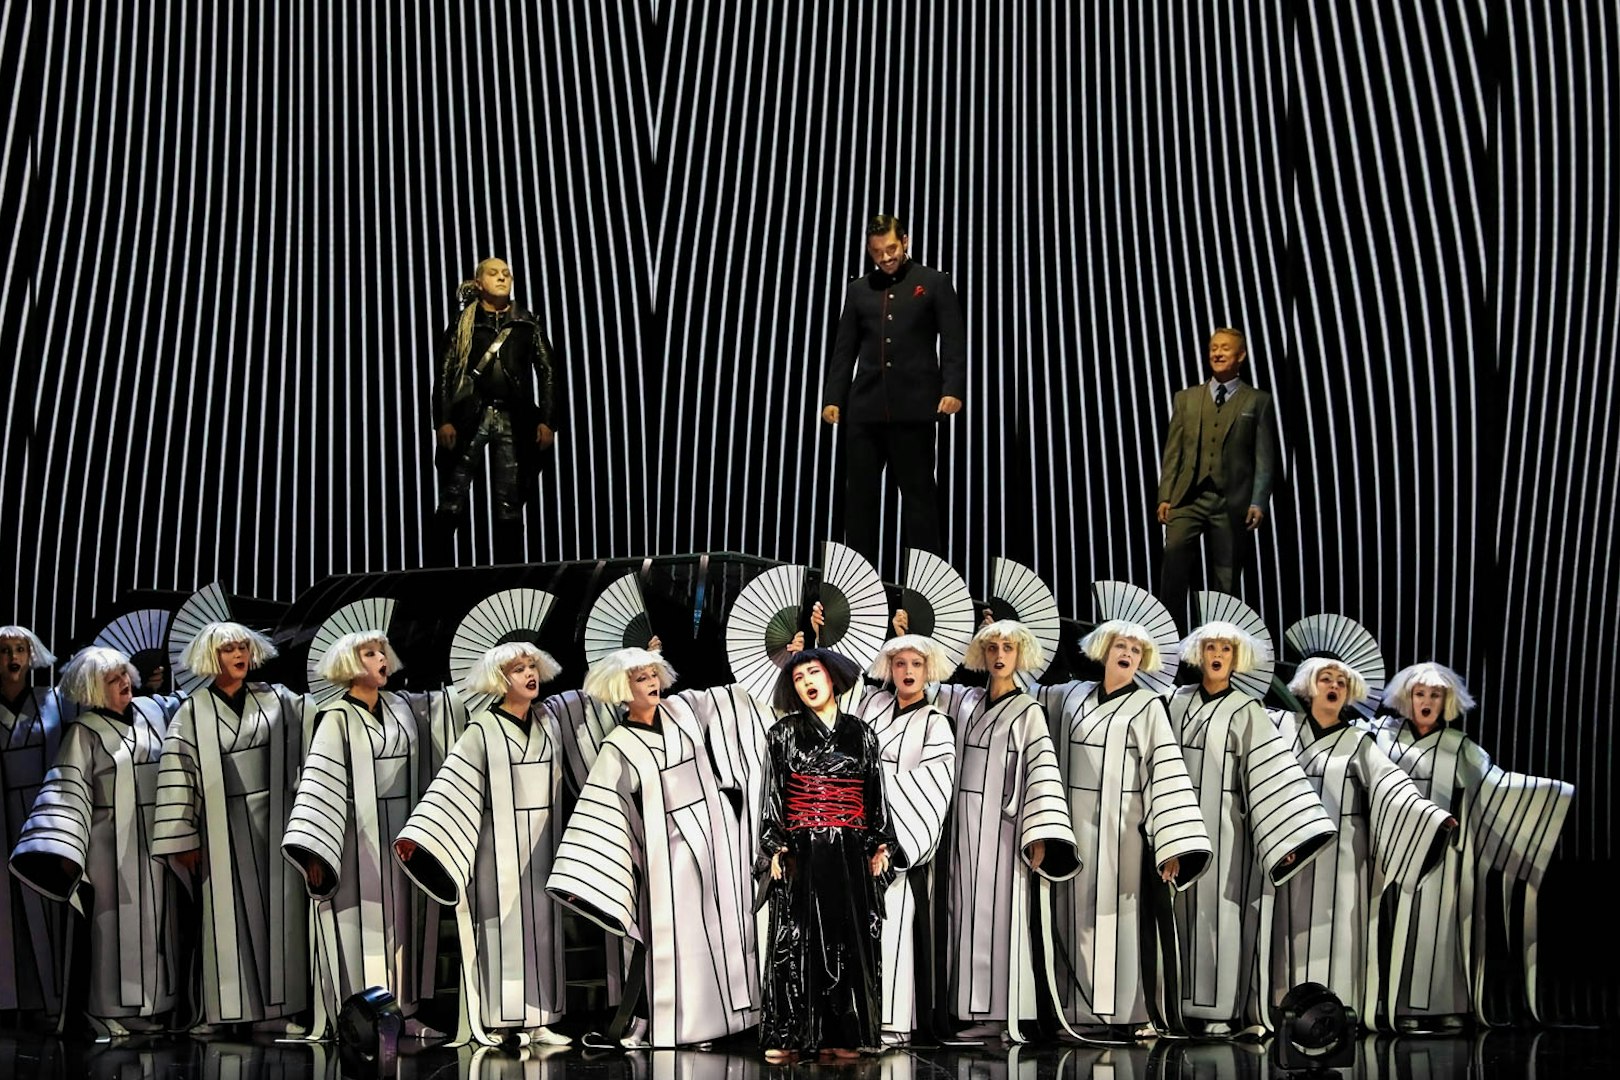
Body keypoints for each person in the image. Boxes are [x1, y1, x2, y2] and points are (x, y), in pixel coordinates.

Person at [546, 646, 761, 1049]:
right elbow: (604, 805)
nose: (651, 683)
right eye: (640, 678)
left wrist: (783, 662)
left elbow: (735, 699)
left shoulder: (684, 709)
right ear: (621, 689)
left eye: (652, 675)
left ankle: (734, 1019)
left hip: (717, 834)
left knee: (729, 925)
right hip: (668, 849)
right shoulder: (617, 745)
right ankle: (689, 1025)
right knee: (682, 938)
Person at [1369, 662, 1572, 1033]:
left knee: (1439, 927)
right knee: (1387, 924)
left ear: (1446, 701)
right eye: (1419, 693)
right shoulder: (1381, 734)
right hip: (1391, 847)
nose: (1427, 701)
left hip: (1442, 852)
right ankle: (1386, 1004)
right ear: (1406, 697)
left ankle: (1441, 1005)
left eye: (1435, 695)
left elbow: (1496, 786)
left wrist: (1549, 793)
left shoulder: (1459, 747)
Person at [1038, 620, 1212, 1041]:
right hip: (1073, 826)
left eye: (1136, 650)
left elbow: (1165, 771)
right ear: (1104, 649)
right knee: (1072, 916)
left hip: (1123, 833)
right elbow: (1021, 686)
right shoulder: (1070, 694)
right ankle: (1074, 1009)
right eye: (1121, 645)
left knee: (1118, 918)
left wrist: (1172, 844)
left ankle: (1123, 1012)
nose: (1128, 654)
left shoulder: (1148, 706)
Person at [1162, 621, 1334, 1036]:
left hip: (1226, 828)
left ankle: (1217, 1011)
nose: (1218, 655)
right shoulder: (1173, 701)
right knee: (1174, 915)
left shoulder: (1247, 710)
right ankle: (1170, 1007)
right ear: (1199, 654)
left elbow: (1271, 776)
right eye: (1211, 647)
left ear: (1237, 659)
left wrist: (1286, 838)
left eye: (1226, 649)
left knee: (1218, 915)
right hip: (1175, 820)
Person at [394, 642, 571, 1047]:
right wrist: (423, 837)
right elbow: (453, 785)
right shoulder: (482, 729)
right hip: (497, 847)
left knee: (542, 928)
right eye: (518, 669)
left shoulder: (549, 720)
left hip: (542, 842)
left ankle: (539, 1018)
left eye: (532, 666)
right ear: (500, 679)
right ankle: (501, 1018)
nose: (529, 674)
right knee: (501, 928)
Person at [281, 630, 452, 1039]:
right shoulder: (335, 718)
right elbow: (319, 786)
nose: (381, 659)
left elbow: (447, 708)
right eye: (370, 654)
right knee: (360, 926)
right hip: (354, 840)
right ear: (350, 665)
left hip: (400, 832)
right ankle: (361, 1017)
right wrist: (315, 854)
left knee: (401, 925)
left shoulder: (402, 707)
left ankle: (404, 1012)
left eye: (382, 652)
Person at [1269, 656, 1454, 1028]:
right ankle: (1283, 1008)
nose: (1334, 686)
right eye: (1326, 679)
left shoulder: (1358, 742)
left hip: (1342, 856)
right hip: (1291, 850)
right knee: (1285, 930)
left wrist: (1431, 816)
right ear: (1309, 685)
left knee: (1338, 932)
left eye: (1341, 682)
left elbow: (1393, 785)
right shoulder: (1281, 727)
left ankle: (1336, 1011)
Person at [9, 646, 181, 1037]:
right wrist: (66, 850)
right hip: (109, 845)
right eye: (112, 679)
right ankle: (108, 1009)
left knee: (158, 923)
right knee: (114, 926)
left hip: (153, 839)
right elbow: (67, 790)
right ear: (91, 690)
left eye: (124, 674)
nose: (124, 683)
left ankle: (156, 1004)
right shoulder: (83, 732)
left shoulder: (153, 711)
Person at [150, 621, 311, 1035]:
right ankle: (222, 1011)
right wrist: (183, 835)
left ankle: (275, 1011)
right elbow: (179, 772)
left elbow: (318, 725)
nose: (238, 655)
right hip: (219, 825)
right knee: (224, 920)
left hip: (275, 821)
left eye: (242, 647)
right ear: (211, 657)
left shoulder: (278, 698)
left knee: (277, 916)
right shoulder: (192, 712)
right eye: (228, 649)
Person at [932, 619, 1080, 1042]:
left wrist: (1040, 833)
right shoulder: (965, 701)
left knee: (997, 918)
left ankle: (998, 1012)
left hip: (1003, 830)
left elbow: (1041, 771)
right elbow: (923, 679)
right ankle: (964, 1007)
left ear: (1020, 655)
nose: (999, 655)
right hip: (961, 828)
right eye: (992, 647)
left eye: (1008, 648)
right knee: (961, 913)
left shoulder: (1028, 710)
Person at [757, 648, 896, 1062]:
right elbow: (773, 795)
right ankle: (789, 1034)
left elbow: (874, 794)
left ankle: (844, 1034)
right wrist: (775, 845)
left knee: (847, 938)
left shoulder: (861, 734)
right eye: (798, 679)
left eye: (813, 673)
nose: (807, 683)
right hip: (802, 849)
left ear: (832, 677)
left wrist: (879, 843)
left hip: (850, 849)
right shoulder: (782, 735)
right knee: (794, 938)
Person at [821, 214, 966, 562]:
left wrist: (953, 389)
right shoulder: (858, 290)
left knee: (920, 503)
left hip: (914, 411)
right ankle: (857, 585)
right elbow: (844, 349)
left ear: (905, 241)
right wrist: (833, 397)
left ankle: (926, 586)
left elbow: (953, 341)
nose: (885, 258)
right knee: (859, 503)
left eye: (890, 249)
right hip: (864, 412)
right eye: (877, 252)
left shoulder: (934, 282)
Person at [855, 625, 957, 1045]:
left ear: (928, 670)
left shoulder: (936, 723)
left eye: (916, 663)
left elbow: (935, 783)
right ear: (890, 668)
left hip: (899, 838)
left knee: (895, 923)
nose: (908, 671)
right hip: (857, 834)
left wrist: (884, 823)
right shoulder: (871, 706)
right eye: (900, 663)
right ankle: (858, 1019)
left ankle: (893, 1023)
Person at [430, 256, 560, 564]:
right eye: (493, 273)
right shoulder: (464, 323)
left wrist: (548, 421)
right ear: (479, 283)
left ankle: (508, 574)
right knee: (453, 492)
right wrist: (443, 421)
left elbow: (548, 373)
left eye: (506, 273)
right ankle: (437, 572)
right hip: (470, 416)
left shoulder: (527, 322)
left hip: (513, 417)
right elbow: (444, 373)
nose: (502, 278)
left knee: (510, 499)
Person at [1155, 328, 1277, 628]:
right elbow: (1173, 452)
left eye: (1225, 348)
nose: (1217, 353)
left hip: (1230, 500)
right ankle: (1167, 635)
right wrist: (1165, 495)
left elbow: (1265, 458)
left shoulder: (1257, 401)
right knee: (1173, 563)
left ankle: (1218, 638)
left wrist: (1258, 501)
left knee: (1226, 574)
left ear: (1240, 356)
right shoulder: (1186, 398)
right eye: (1213, 348)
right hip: (1187, 497)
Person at [0, 626, 65, 1021]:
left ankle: (50, 1000)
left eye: (20, 649)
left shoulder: (53, 701)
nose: (14, 657)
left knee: (45, 905)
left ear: (31, 655)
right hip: (3, 816)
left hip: (42, 815)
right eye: (5, 650)